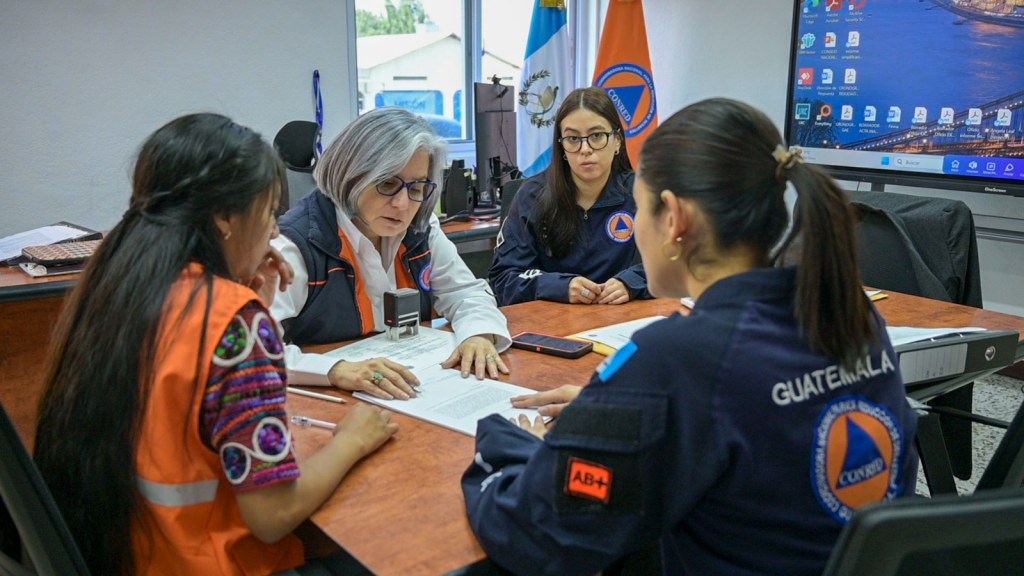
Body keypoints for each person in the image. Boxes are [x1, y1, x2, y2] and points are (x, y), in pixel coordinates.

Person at [462, 98, 919, 575]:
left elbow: (537, 533)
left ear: (674, 219)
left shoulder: (675, 357)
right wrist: (624, 408)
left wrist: (501, 440)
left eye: (638, 208)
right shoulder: (850, 312)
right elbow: (758, 415)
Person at [33, 113, 398, 576]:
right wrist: (351, 440)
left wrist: (247, 294)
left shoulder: (118, 284)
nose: (274, 233)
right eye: (268, 213)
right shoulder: (235, 323)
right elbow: (272, 516)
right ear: (225, 217)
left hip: (132, 555)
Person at [271, 108, 511, 399]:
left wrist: (478, 334)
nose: (402, 204)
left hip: (414, 389)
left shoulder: (421, 228)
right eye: (387, 184)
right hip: (329, 407)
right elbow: (253, 352)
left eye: (417, 187)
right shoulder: (294, 244)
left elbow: (465, 293)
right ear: (350, 177)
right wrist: (334, 369)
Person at [489, 87, 649, 307]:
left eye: (597, 136)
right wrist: (559, 287)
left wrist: (631, 282)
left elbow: (680, 264)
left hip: (620, 320)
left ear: (617, 141)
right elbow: (503, 278)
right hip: (552, 327)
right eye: (573, 138)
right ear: (562, 147)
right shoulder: (532, 196)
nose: (585, 149)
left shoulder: (642, 192)